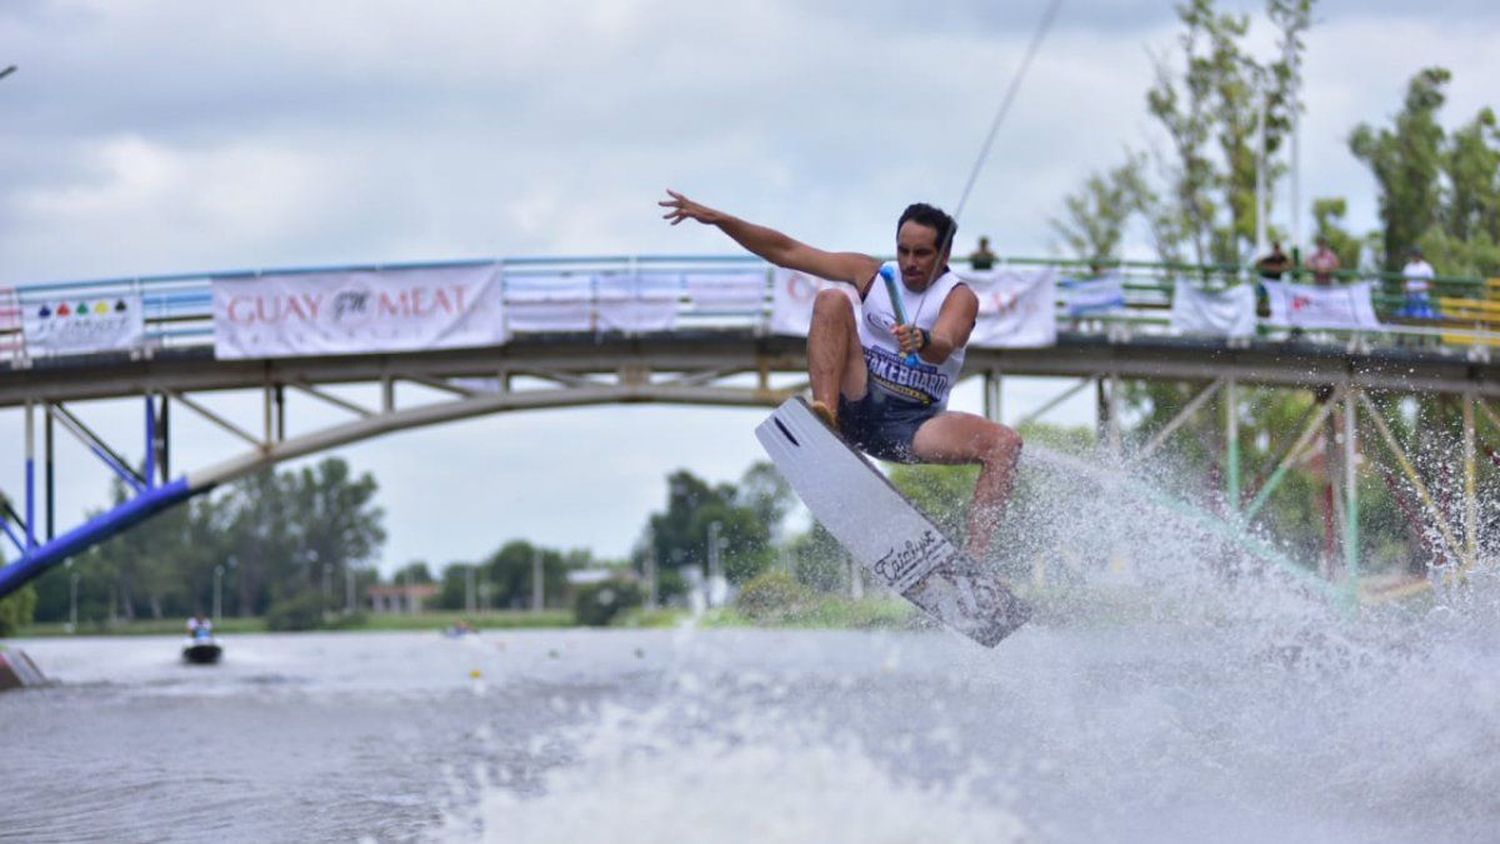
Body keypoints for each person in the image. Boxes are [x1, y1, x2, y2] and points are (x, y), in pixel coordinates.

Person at [659, 189, 1023, 559]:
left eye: (922, 253)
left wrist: (923, 339)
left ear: (943, 254)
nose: (910, 262)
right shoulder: (872, 274)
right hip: (857, 399)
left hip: (915, 424)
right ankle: (827, 422)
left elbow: (946, 341)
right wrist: (721, 220)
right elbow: (786, 252)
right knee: (831, 300)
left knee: (1005, 444)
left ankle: (977, 562)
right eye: (903, 251)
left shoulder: (958, 297)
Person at [1399, 246, 1437, 318]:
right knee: (1402, 313)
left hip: (1422, 297)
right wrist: (1406, 289)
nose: (1416, 256)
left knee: (1426, 315)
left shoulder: (1426, 267)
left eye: (1417, 254)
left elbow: (1432, 284)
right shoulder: (1408, 267)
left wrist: (1418, 290)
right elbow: (1403, 282)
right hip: (1409, 297)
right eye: (1414, 254)